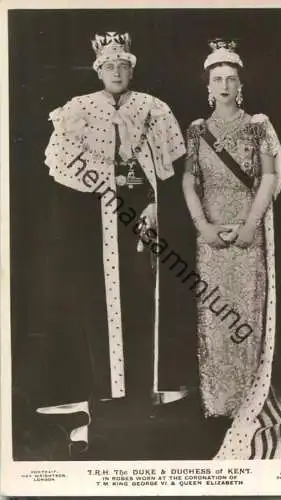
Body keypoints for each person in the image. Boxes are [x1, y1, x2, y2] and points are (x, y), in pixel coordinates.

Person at [40, 32, 190, 444]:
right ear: (98, 71)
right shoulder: (80, 109)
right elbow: (60, 161)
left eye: (124, 66)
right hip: (97, 214)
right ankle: (108, 389)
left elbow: (164, 170)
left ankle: (147, 387)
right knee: (99, 295)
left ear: (132, 69)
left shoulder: (152, 108)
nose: (118, 73)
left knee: (146, 291)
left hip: (143, 212)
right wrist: (108, 178)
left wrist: (155, 204)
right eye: (110, 66)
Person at [182, 38, 281, 459]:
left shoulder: (258, 125)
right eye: (217, 79)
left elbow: (268, 178)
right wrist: (203, 227)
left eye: (231, 78)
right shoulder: (196, 130)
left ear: (239, 84)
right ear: (208, 85)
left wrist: (249, 226)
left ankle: (245, 400)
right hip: (210, 237)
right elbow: (189, 181)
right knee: (214, 314)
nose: (224, 85)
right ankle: (216, 402)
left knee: (244, 313)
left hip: (249, 235)